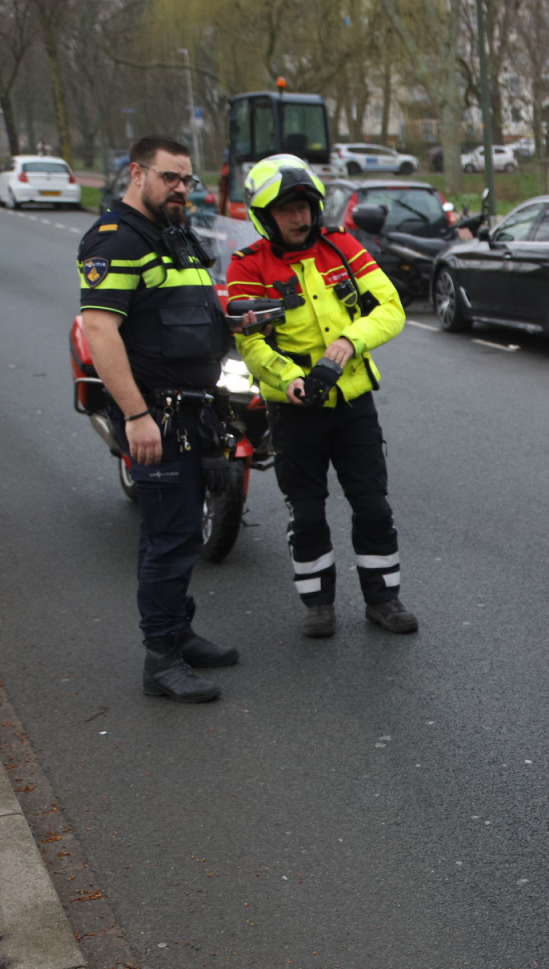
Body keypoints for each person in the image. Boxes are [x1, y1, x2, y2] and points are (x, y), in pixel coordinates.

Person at [78, 135, 243, 703]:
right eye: (170, 177)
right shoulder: (116, 240)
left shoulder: (174, 236)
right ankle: (161, 660)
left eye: (186, 180)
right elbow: (100, 331)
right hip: (159, 415)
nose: (180, 188)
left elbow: (198, 316)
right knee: (169, 538)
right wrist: (137, 416)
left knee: (183, 535)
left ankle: (180, 631)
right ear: (137, 173)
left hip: (196, 409)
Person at [225, 155, 416, 638]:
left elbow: (390, 308)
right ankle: (318, 604)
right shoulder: (249, 266)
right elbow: (250, 342)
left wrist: (349, 342)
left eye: (306, 206)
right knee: (306, 512)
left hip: (353, 404)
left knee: (372, 505)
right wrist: (290, 379)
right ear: (265, 215)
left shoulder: (343, 246)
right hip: (294, 411)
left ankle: (383, 599)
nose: (300, 218)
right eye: (288, 210)